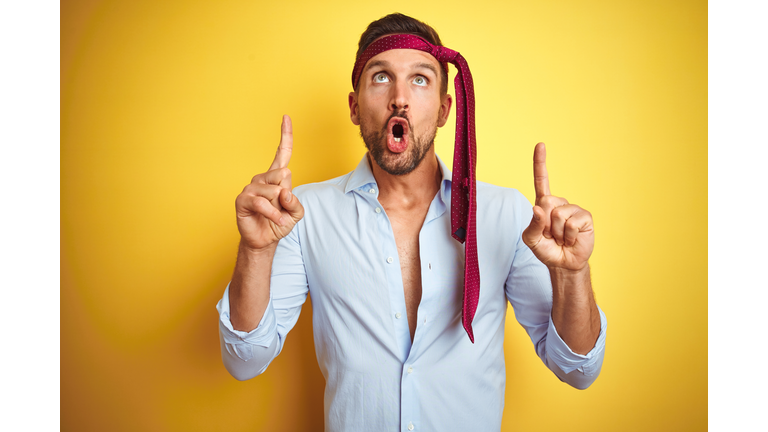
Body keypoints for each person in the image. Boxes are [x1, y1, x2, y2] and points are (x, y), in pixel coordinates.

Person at [216, 13, 606, 431]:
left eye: (419, 79)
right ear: (354, 106)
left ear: (443, 110)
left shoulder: (507, 215)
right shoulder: (300, 215)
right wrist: (255, 252)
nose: (399, 98)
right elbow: (245, 361)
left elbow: (578, 371)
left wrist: (573, 275)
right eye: (380, 77)